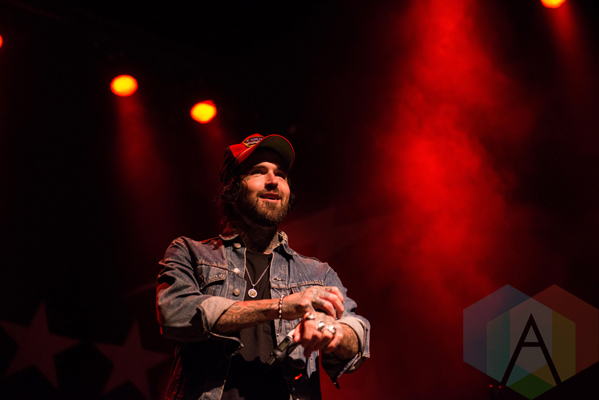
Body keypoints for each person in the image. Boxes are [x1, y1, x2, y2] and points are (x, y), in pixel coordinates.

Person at [156, 134, 370, 400]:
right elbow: (175, 313)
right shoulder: (190, 252)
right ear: (232, 188)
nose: (273, 181)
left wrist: (331, 332)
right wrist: (281, 307)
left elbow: (357, 332)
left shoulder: (317, 274)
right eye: (259, 171)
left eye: (281, 174)